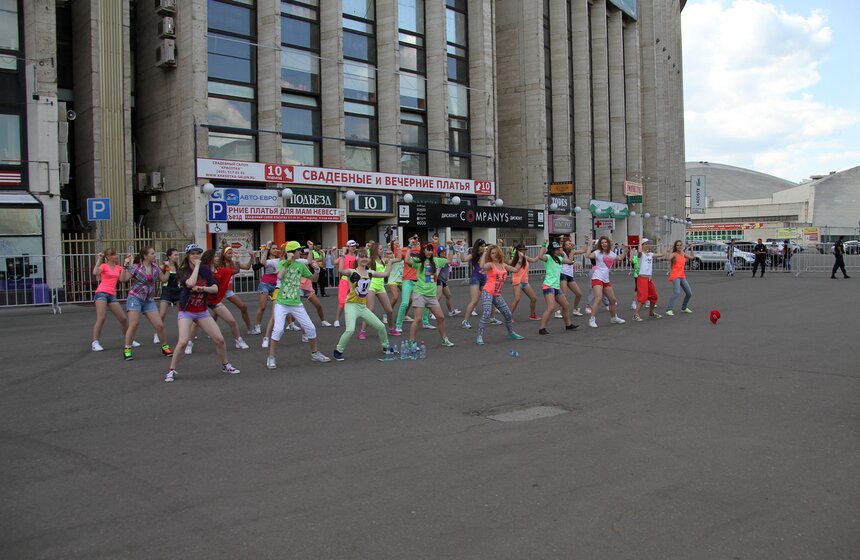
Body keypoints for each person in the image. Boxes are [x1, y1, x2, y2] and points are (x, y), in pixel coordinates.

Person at [164, 244, 240, 383]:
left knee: (220, 339)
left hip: (201, 311)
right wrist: (197, 267)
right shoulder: (183, 270)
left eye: (198, 253)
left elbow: (215, 288)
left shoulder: (206, 270)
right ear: (188, 255)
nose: (196, 256)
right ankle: (171, 370)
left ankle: (225, 365)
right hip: (186, 310)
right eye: (192, 253)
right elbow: (190, 284)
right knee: (182, 341)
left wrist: (202, 288)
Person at [266, 241, 330, 369]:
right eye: (298, 250)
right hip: (281, 303)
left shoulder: (300, 265)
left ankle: (315, 353)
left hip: (296, 303)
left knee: (310, 328)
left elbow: (313, 279)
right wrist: (287, 261)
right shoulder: (282, 263)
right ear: (291, 253)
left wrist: (317, 270)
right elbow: (279, 276)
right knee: (278, 330)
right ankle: (271, 357)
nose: (300, 252)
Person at [333, 247, 396, 361]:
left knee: (381, 326)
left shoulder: (370, 273)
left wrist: (390, 262)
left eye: (366, 256)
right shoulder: (352, 272)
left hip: (362, 306)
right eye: (361, 256)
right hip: (351, 305)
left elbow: (386, 273)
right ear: (357, 259)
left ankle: (386, 347)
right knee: (350, 329)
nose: (364, 259)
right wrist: (342, 255)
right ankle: (338, 350)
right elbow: (341, 270)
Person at [120, 246, 173, 360]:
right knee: (134, 324)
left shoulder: (156, 267)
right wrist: (125, 266)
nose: (155, 255)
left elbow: (163, 279)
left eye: (154, 253)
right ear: (145, 256)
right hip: (135, 298)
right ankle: (127, 349)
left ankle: (165, 347)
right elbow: (123, 279)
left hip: (149, 300)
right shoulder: (136, 267)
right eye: (152, 253)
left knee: (159, 325)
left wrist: (168, 268)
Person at [195, 249, 249, 351]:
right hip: (202, 300)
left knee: (232, 321)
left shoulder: (221, 270)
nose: (218, 258)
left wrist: (237, 260)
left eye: (218, 256)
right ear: (210, 258)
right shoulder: (201, 270)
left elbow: (236, 271)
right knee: (196, 324)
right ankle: (189, 343)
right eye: (216, 256)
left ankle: (238, 340)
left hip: (215, 300)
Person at [406, 242, 456, 347]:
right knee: (418, 319)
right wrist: (410, 247)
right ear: (423, 251)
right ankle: (411, 342)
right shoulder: (419, 261)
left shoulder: (436, 261)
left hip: (431, 295)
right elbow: (406, 260)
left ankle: (444, 339)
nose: (429, 252)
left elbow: (449, 260)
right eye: (427, 249)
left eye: (430, 250)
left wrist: (451, 247)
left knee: (441, 317)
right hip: (419, 293)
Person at [475, 244, 525, 345]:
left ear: (499, 253)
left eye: (495, 253)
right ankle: (479, 336)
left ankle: (511, 333)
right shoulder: (490, 264)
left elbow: (516, 270)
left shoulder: (503, 265)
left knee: (508, 314)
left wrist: (520, 259)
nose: (494, 255)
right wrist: (485, 252)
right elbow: (481, 266)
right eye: (492, 253)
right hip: (488, 292)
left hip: (497, 294)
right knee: (486, 313)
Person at [90, 248, 136, 352]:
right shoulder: (104, 266)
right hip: (101, 293)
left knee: (123, 319)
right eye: (114, 254)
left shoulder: (118, 267)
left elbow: (126, 276)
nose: (117, 256)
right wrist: (99, 259)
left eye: (116, 254)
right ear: (108, 257)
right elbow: (95, 272)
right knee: (101, 318)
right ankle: (95, 342)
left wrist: (130, 260)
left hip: (111, 294)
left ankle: (129, 340)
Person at [536, 240, 581, 335]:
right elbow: (540, 257)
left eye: (558, 248)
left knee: (565, 305)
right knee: (551, 307)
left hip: (556, 286)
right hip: (548, 286)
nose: (558, 250)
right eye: (556, 249)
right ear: (552, 250)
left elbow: (570, 261)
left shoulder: (559, 259)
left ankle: (568, 325)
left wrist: (572, 250)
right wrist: (543, 245)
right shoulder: (548, 257)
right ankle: (542, 328)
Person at [583, 236, 626, 328]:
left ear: (608, 244)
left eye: (605, 242)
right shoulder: (597, 253)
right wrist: (590, 244)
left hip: (606, 279)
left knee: (613, 300)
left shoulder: (612, 254)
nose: (604, 244)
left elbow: (620, 258)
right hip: (597, 277)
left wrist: (625, 250)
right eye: (602, 243)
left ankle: (614, 317)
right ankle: (592, 319)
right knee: (598, 298)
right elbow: (587, 256)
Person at [393, 235, 430, 334]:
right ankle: (398, 325)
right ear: (409, 239)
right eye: (413, 238)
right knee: (405, 303)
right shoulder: (405, 249)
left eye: (417, 238)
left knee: (426, 301)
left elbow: (429, 255)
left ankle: (426, 322)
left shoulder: (421, 250)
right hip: (407, 280)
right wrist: (395, 245)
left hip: (418, 280)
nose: (415, 239)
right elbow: (398, 256)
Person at [220, 246, 256, 333]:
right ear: (224, 254)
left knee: (243, 306)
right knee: (216, 312)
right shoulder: (220, 264)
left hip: (228, 290)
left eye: (231, 253)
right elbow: (236, 271)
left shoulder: (233, 262)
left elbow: (247, 267)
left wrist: (251, 257)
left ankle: (250, 328)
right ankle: (210, 329)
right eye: (229, 253)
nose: (231, 255)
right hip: (219, 290)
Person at [632, 238, 665, 321]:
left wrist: (660, 243)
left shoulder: (650, 254)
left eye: (648, 244)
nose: (648, 245)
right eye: (646, 244)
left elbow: (662, 254)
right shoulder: (640, 255)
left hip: (649, 278)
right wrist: (639, 239)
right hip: (642, 277)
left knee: (654, 296)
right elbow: (639, 251)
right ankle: (635, 315)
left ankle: (651, 313)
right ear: (642, 245)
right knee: (643, 297)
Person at [251, 241, 280, 334]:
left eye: (276, 248)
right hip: (265, 284)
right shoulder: (265, 258)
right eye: (273, 248)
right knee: (263, 306)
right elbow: (255, 267)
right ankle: (257, 326)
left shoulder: (279, 259)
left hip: (276, 284)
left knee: (281, 305)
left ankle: (291, 324)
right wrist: (266, 250)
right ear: (269, 249)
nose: (275, 250)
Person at [155, 248, 181, 344]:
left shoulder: (178, 267)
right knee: (162, 314)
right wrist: (167, 267)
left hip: (177, 292)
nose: (177, 257)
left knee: (182, 314)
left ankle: (184, 333)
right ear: (169, 256)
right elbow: (163, 279)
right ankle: (157, 334)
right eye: (175, 255)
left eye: (178, 255)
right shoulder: (163, 266)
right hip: (167, 291)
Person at [509, 243, 539, 320]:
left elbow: (534, 260)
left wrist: (543, 248)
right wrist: (517, 257)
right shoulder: (515, 259)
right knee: (517, 299)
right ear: (518, 251)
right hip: (517, 282)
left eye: (524, 250)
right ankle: (509, 317)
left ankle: (532, 315)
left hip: (525, 282)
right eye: (521, 250)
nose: (523, 251)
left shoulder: (525, 258)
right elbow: (511, 266)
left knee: (534, 298)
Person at [334, 240, 360, 328]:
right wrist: (331, 252)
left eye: (355, 246)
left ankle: (352, 318)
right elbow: (334, 262)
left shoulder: (357, 257)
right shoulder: (344, 257)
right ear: (348, 247)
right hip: (345, 280)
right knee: (342, 302)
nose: (354, 248)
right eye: (352, 246)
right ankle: (337, 320)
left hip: (354, 280)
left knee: (355, 301)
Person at [666, 240, 695, 316]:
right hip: (675, 276)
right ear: (675, 246)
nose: (679, 246)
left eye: (680, 245)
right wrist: (669, 249)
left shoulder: (683, 253)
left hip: (682, 276)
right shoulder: (674, 254)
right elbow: (668, 258)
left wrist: (691, 248)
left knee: (689, 293)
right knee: (677, 292)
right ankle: (669, 309)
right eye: (677, 245)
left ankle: (684, 308)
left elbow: (692, 257)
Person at [558, 238, 585, 317]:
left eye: (570, 243)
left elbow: (584, 250)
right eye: (568, 244)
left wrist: (587, 241)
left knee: (579, 293)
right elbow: (559, 251)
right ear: (564, 246)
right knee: (564, 294)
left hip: (570, 275)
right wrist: (561, 242)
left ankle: (575, 309)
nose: (570, 245)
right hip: (562, 273)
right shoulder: (562, 253)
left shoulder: (572, 252)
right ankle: (558, 311)